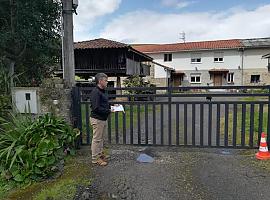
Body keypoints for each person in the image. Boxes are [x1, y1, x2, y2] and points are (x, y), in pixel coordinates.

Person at [90, 73, 113, 166]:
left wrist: (112, 107)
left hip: (102, 119)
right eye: (105, 80)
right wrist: (109, 110)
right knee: (97, 139)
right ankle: (95, 159)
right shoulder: (96, 92)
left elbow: (103, 104)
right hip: (97, 119)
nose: (107, 82)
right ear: (100, 81)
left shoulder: (102, 91)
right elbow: (96, 108)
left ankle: (100, 154)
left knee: (101, 139)